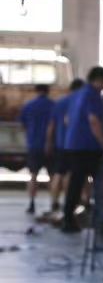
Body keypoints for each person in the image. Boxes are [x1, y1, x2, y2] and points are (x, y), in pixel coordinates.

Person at [58, 66, 103, 234]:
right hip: (88, 146)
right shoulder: (92, 95)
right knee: (102, 181)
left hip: (73, 145)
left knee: (76, 182)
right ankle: (102, 219)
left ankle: (68, 218)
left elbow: (67, 119)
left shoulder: (75, 95)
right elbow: (93, 120)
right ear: (99, 79)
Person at [39, 78, 84, 222]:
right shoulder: (80, 102)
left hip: (60, 144)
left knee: (58, 174)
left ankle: (54, 202)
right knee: (72, 175)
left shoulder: (59, 103)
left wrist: (48, 143)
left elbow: (51, 125)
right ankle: (71, 202)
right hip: (76, 144)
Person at [17, 83, 56, 215]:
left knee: (33, 175)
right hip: (50, 146)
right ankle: (54, 202)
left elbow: (22, 122)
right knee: (52, 176)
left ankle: (32, 203)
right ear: (48, 91)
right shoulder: (53, 105)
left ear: (36, 91)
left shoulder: (28, 105)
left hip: (34, 145)